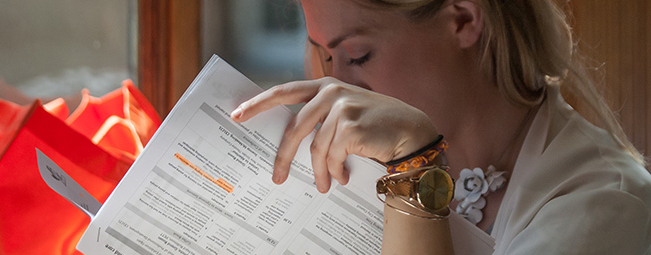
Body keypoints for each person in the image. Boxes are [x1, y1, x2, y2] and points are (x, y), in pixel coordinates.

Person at [230, 0, 651, 254]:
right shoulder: (356, 172)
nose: (336, 85)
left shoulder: (604, 205)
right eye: (324, 56)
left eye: (357, 56)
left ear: (464, 20)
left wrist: (417, 165)